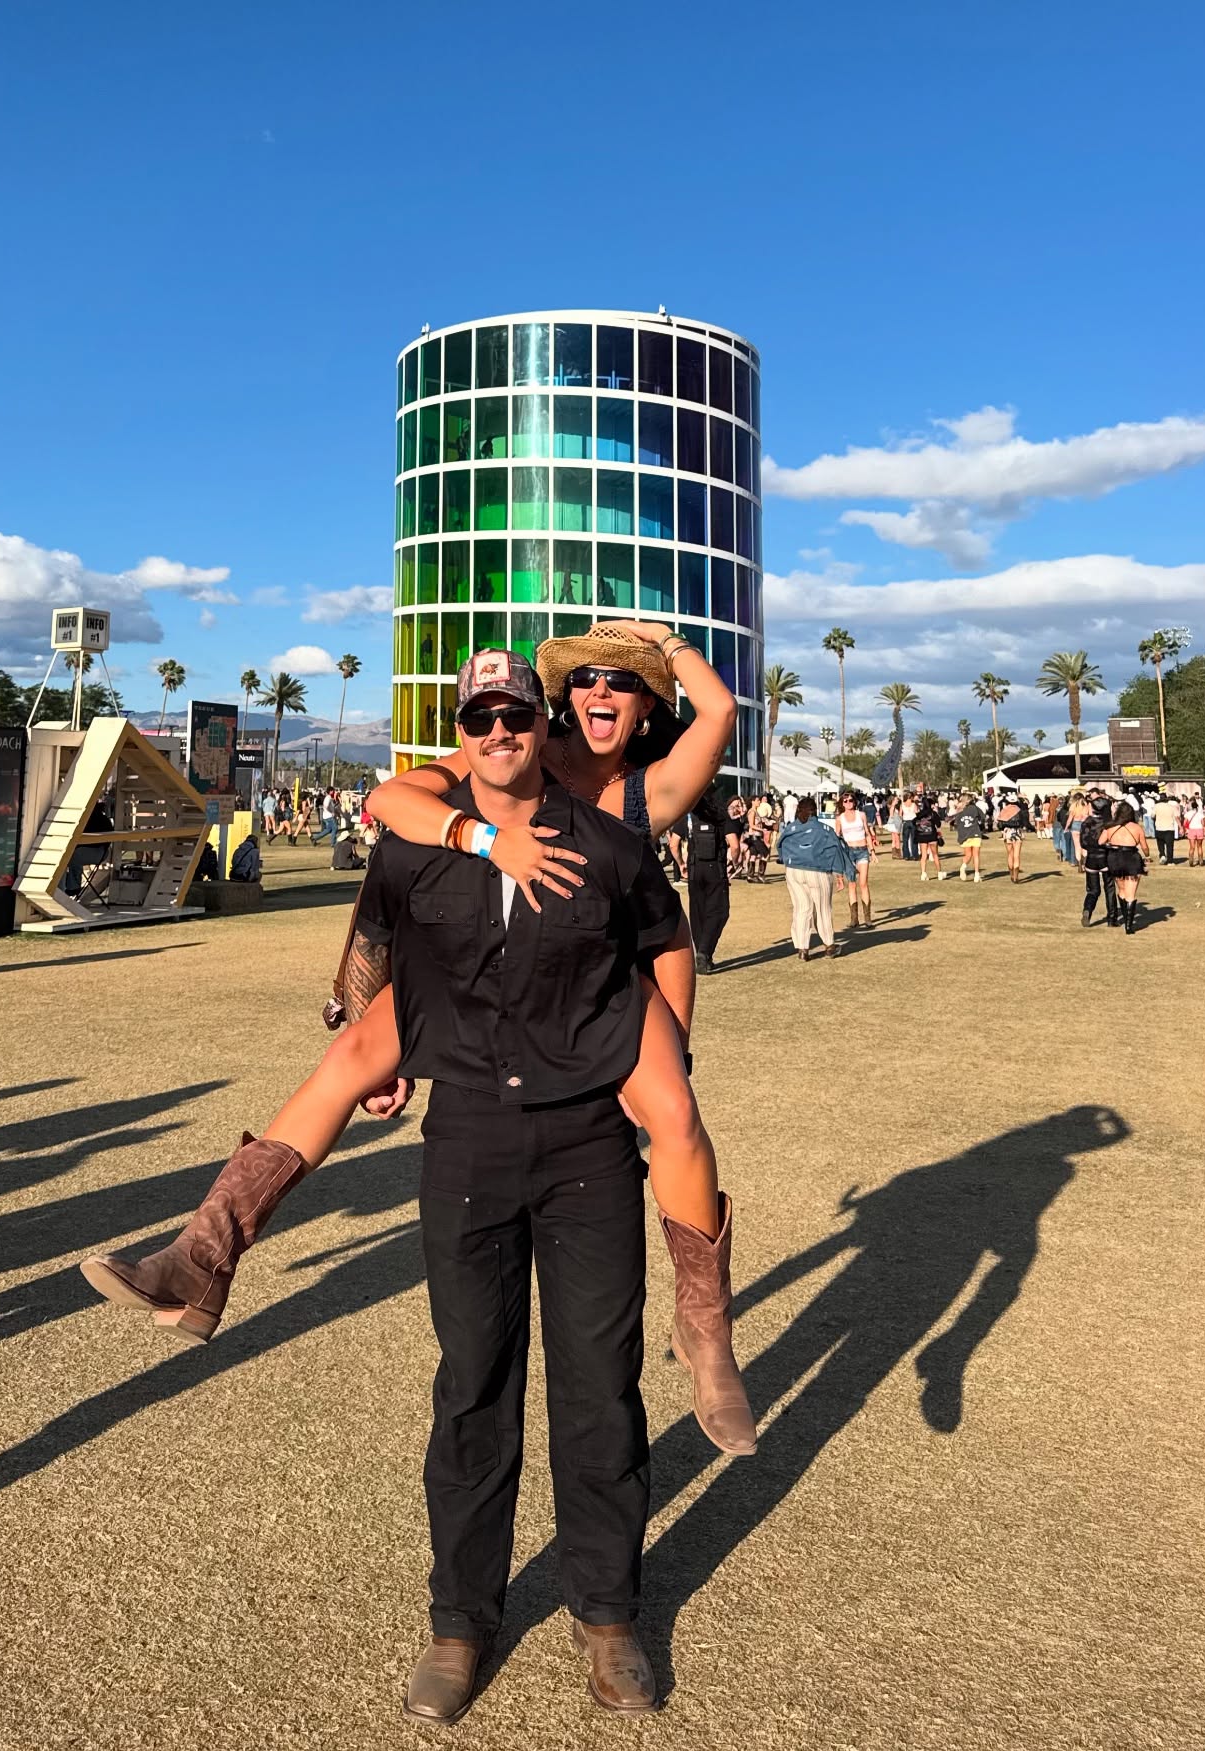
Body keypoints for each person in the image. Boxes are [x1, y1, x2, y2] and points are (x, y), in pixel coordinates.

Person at [80, 629, 757, 1460]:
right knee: (349, 1058)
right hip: (475, 963)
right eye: (585, 678)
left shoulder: (638, 795)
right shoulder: (509, 752)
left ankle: (706, 1331)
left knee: (676, 1114)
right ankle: (203, 1255)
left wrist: (665, 644)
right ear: (560, 701)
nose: (600, 692)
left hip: (590, 971)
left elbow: (678, 883)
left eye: (622, 682)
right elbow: (392, 805)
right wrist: (482, 841)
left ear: (647, 704)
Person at [341, 670, 687, 1719]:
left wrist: (668, 1059)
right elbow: (372, 938)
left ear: (543, 725)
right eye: (479, 717)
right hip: (468, 1141)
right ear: (462, 731)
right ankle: (460, 1622)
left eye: (516, 714)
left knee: (600, 1383)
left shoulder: (609, 843)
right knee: (473, 1386)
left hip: (589, 1144)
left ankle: (608, 1612)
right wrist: (370, 1039)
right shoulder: (418, 838)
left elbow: (666, 940)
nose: (499, 729)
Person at [778, 796, 855, 960]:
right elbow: (835, 849)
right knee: (822, 909)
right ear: (815, 811)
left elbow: (780, 846)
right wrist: (840, 873)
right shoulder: (823, 829)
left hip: (794, 871)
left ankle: (802, 949)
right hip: (818, 871)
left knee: (801, 908)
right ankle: (829, 946)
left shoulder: (791, 828)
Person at [684, 788, 740, 974]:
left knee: (697, 912)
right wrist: (734, 863)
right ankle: (705, 952)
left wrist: (681, 864)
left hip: (694, 869)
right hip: (715, 869)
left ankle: (702, 954)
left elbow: (674, 844)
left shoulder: (690, 815)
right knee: (719, 911)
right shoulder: (722, 817)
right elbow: (734, 845)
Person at [1100, 802, 1151, 933]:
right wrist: (1147, 856)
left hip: (1115, 859)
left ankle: (1126, 917)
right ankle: (1129, 926)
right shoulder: (1136, 828)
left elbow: (1100, 842)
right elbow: (1144, 846)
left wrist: (1111, 845)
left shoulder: (1110, 827)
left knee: (1122, 890)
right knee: (1131, 893)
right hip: (1132, 858)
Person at [832, 789, 876, 929]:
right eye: (845, 801)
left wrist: (872, 851)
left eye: (851, 800)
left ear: (855, 802)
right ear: (842, 803)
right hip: (849, 852)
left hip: (862, 850)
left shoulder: (861, 815)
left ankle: (867, 918)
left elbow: (867, 833)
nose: (848, 803)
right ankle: (854, 919)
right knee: (852, 884)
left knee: (863, 883)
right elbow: (837, 838)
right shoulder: (839, 819)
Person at [1079, 792, 1118, 928]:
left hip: (1091, 858)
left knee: (1093, 890)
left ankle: (1087, 911)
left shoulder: (1087, 822)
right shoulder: (1109, 824)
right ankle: (1112, 919)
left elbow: (1083, 843)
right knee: (1109, 888)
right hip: (1106, 858)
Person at [949, 792, 986, 882]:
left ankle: (963, 866)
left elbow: (954, 822)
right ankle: (976, 875)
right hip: (975, 833)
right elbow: (983, 817)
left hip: (964, 835)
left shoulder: (959, 811)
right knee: (976, 855)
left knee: (968, 854)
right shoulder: (974, 808)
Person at [996, 791, 1030, 882]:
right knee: (1016, 855)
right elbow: (1024, 822)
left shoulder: (1005, 809)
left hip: (1007, 832)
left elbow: (999, 823)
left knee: (1010, 854)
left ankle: (1011, 874)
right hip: (1017, 832)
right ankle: (1016, 877)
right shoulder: (1019, 810)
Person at [913, 794, 943, 881]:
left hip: (922, 835)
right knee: (935, 854)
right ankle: (939, 873)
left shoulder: (919, 814)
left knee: (923, 855)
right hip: (932, 835)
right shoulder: (933, 814)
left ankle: (923, 873)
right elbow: (938, 824)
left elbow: (914, 822)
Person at [1152, 789, 1180, 866]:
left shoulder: (1156, 806)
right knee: (1169, 845)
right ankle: (1170, 861)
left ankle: (1162, 855)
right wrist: (1181, 827)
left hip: (1159, 827)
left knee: (1160, 843)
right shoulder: (1171, 807)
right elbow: (1177, 817)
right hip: (1169, 828)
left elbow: (1152, 816)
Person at [1184, 796, 1205, 867]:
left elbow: (1185, 823)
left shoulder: (1188, 814)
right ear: (1197, 807)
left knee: (1192, 847)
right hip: (1199, 829)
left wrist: (1186, 829)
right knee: (1199, 846)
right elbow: (1203, 824)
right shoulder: (1200, 814)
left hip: (1192, 830)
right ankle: (1201, 861)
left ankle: (1191, 861)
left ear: (1191, 806)